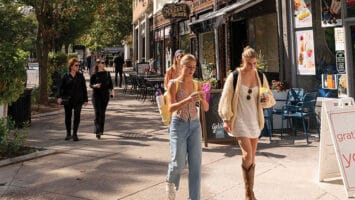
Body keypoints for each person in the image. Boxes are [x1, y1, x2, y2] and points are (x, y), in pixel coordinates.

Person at [218, 46, 275, 200]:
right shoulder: (235, 76)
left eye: (255, 63)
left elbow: (268, 97)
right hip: (239, 120)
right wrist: (226, 118)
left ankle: (250, 192)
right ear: (243, 60)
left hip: (254, 120)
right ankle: (248, 193)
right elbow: (226, 98)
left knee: (252, 157)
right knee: (247, 154)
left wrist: (265, 99)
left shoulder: (260, 76)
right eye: (250, 63)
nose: (252, 66)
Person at [165, 54, 209, 200]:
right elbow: (170, 108)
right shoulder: (174, 83)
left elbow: (207, 108)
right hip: (178, 125)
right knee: (178, 163)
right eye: (188, 67)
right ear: (181, 66)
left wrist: (203, 99)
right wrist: (188, 99)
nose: (191, 70)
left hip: (195, 125)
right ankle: (170, 182)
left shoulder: (197, 84)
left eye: (194, 67)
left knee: (196, 166)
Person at [57, 58, 88, 141]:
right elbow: (60, 87)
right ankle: (68, 134)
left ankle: (75, 134)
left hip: (78, 100)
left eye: (78, 65)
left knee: (77, 116)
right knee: (68, 117)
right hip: (68, 100)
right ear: (71, 66)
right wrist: (59, 97)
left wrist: (86, 99)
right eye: (76, 65)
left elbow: (84, 88)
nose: (78, 67)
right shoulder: (65, 76)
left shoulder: (80, 76)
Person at [90, 59, 114, 139]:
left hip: (105, 96)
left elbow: (110, 85)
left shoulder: (107, 73)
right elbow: (90, 84)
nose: (104, 64)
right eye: (103, 63)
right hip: (96, 96)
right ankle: (97, 130)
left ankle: (101, 130)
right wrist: (95, 86)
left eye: (104, 62)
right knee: (97, 113)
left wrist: (112, 92)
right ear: (98, 64)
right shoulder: (94, 74)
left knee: (102, 113)